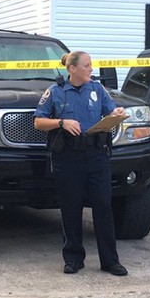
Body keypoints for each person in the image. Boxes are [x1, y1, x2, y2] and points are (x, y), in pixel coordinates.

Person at [34, 51, 128, 276]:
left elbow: (110, 112)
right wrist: (61, 122)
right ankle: (73, 258)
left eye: (91, 65)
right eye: (86, 66)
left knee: (103, 206)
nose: (91, 69)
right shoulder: (55, 92)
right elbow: (38, 122)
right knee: (71, 207)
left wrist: (117, 113)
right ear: (72, 69)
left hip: (96, 155)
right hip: (68, 157)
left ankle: (110, 260)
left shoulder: (97, 89)